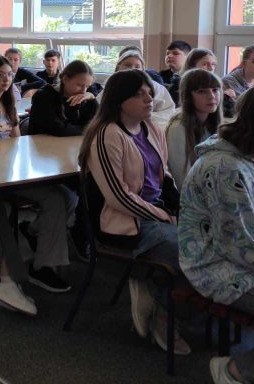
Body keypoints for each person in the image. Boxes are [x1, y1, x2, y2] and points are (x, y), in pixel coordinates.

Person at [79, 69, 190, 355]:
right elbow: (118, 197)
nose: (149, 99)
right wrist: (163, 216)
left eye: (149, 93)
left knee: (207, 243)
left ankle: (149, 283)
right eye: (139, 94)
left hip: (154, 213)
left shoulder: (151, 128)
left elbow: (163, 175)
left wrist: (179, 207)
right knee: (191, 253)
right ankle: (163, 315)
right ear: (119, 100)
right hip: (123, 222)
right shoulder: (107, 135)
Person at [0, 54, 75, 303]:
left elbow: (18, 143)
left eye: (9, 75)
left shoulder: (10, 106)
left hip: (14, 173)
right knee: (55, 199)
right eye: (0, 75)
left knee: (65, 197)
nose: (6, 79)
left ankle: (39, 247)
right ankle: (41, 263)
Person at [178, 88, 254, 384]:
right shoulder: (226, 168)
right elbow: (240, 245)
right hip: (219, 266)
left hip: (240, 256)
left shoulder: (247, 155)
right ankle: (236, 371)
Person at [165, 69, 222, 191]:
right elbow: (182, 181)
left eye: (215, 90)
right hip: (191, 197)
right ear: (188, 96)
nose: (212, 96)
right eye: (201, 91)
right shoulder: (178, 128)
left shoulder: (213, 123)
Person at [98, 50, 177, 130]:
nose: (133, 69)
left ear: (143, 69)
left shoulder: (157, 88)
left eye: (137, 66)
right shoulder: (111, 87)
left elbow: (168, 113)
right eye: (128, 65)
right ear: (118, 67)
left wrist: (140, 118)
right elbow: (100, 112)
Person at [28, 60, 98, 137]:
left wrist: (92, 98)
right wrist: (88, 129)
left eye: (87, 86)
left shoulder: (80, 97)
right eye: (79, 85)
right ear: (65, 79)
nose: (84, 90)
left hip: (66, 142)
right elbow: (60, 130)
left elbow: (97, 122)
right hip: (41, 142)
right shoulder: (43, 96)